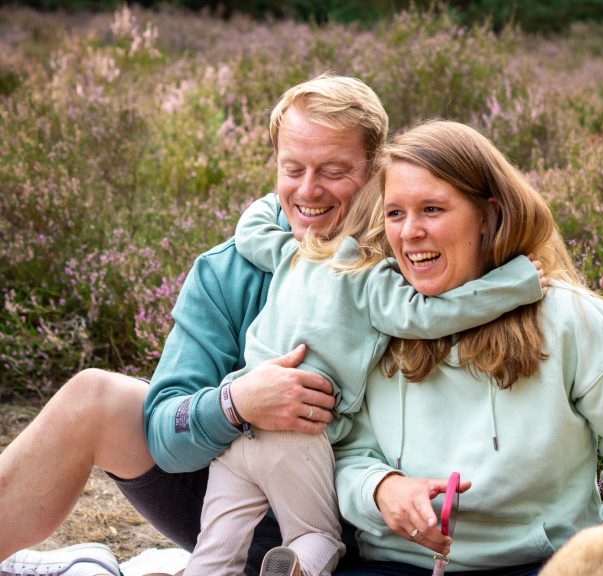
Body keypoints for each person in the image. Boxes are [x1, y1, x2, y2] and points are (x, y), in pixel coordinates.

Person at [0, 73, 387, 575]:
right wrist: (236, 403)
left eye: (334, 171)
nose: (308, 190)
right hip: (238, 516)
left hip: (375, 531)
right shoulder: (227, 270)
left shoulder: (413, 258)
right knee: (96, 397)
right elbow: (165, 432)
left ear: (377, 167)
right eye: (292, 168)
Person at [328, 120, 603, 575]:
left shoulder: (570, 318)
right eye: (395, 213)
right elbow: (346, 450)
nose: (409, 232)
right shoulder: (369, 322)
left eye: (432, 209)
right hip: (396, 564)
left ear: (488, 215)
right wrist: (380, 489)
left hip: (543, 563)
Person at [184, 179, 547, 576]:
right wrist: (515, 283)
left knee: (216, 545)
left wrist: (279, 199)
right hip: (297, 430)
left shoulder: (295, 253)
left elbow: (250, 233)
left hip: (242, 418)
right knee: (315, 536)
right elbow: (429, 315)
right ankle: (296, 568)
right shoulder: (373, 280)